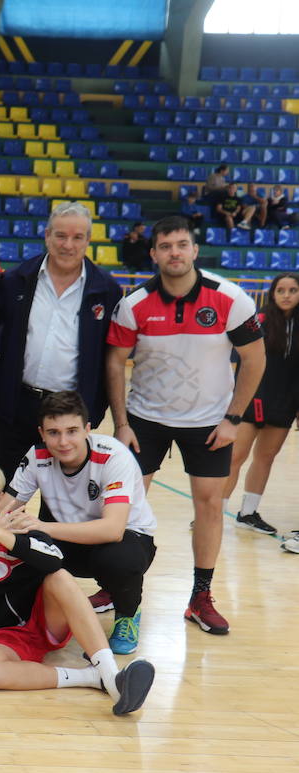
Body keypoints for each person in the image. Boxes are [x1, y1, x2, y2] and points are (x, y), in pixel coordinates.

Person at [106, 214, 266, 636]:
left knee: (210, 506)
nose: (174, 253)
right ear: (154, 253)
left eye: (181, 245)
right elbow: (114, 363)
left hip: (209, 423)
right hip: (145, 419)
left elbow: (255, 359)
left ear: (194, 250)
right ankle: (118, 586)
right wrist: (121, 422)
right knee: (126, 505)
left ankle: (200, 597)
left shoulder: (231, 298)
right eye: (165, 246)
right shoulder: (134, 303)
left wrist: (233, 419)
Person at [0, 461, 157, 716]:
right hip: (4, 635)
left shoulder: (21, 524)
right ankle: (93, 678)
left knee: (60, 578)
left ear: (1, 499)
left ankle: (111, 673)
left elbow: (54, 560)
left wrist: (1, 535)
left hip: (47, 618)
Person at [1, 391, 158, 654]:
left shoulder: (113, 456)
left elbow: (113, 529)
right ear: (41, 432)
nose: (63, 441)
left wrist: (41, 526)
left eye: (72, 431)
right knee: (16, 539)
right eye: (53, 432)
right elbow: (4, 508)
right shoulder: (37, 456)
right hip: (69, 538)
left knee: (118, 558)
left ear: (87, 429)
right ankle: (26, 612)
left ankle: (127, 613)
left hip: (126, 540)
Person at [0, 201, 121, 481]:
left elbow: (113, 360)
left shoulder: (107, 292)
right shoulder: (15, 281)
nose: (68, 245)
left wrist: (95, 414)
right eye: (60, 236)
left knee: (59, 508)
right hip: (15, 407)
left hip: (69, 414)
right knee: (2, 497)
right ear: (47, 235)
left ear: (88, 240)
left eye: (77, 237)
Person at [224, 272, 299, 535]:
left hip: (285, 402)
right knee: (235, 457)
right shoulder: (260, 321)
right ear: (273, 294)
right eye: (281, 290)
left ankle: (247, 513)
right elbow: (244, 362)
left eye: (292, 290)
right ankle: (213, 512)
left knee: (265, 457)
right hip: (253, 398)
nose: (287, 295)